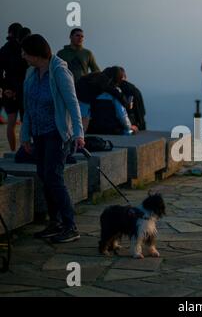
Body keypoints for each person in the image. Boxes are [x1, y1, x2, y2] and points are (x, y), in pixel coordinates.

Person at [20, 34, 85, 243]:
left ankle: (70, 225)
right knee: (44, 176)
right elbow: (28, 106)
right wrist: (25, 135)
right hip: (38, 134)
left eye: (25, 52)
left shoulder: (59, 72)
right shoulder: (31, 73)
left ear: (36, 54)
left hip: (57, 134)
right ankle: (54, 223)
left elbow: (73, 104)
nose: (23, 56)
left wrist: (78, 133)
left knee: (53, 178)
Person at [0, 23, 29, 151]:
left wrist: (5, 88)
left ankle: (12, 151)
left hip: (9, 88)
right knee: (25, 121)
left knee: (11, 123)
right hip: (23, 88)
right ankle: (24, 149)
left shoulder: (4, 49)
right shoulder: (24, 48)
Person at [75, 67, 130, 131]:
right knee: (83, 122)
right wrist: (127, 104)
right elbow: (116, 93)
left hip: (77, 95)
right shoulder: (104, 81)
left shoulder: (95, 76)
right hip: (83, 100)